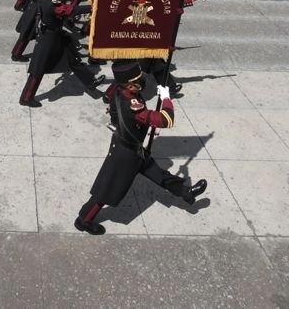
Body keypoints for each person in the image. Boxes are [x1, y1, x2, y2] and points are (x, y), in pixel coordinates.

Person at [74, 61, 208, 235]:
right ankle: (84, 220)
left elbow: (115, 114)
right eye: (137, 80)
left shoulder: (119, 91)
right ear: (129, 84)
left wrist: (131, 128)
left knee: (157, 173)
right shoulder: (133, 103)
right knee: (106, 190)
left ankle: (186, 192)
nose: (142, 82)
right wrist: (166, 98)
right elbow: (166, 120)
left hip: (131, 147)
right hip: (125, 154)